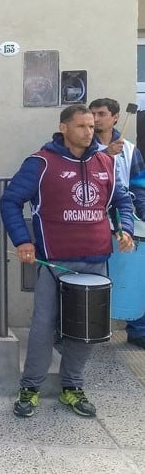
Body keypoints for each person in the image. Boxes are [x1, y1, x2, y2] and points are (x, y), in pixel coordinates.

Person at [0, 103, 134, 419]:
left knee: (84, 330)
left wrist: (124, 228)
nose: (90, 132)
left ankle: (72, 387)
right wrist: (22, 240)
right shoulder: (40, 163)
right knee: (43, 328)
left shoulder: (105, 162)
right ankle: (30, 387)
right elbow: (10, 201)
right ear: (64, 128)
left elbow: (122, 201)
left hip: (95, 262)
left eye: (92, 126)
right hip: (54, 263)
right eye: (82, 126)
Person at [89, 97, 145, 348]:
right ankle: (76, 328)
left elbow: (139, 185)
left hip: (123, 218)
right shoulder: (83, 146)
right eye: (92, 114)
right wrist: (104, 154)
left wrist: (142, 214)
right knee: (88, 275)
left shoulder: (130, 149)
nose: (95, 118)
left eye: (101, 114)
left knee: (133, 273)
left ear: (115, 117)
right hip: (90, 219)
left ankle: (138, 330)